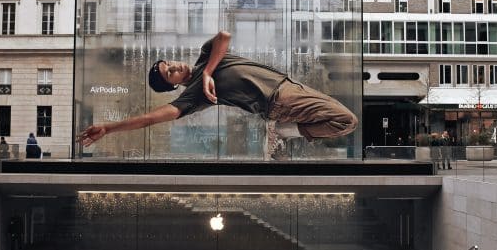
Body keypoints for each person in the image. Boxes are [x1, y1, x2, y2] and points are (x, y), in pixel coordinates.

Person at [77, 30, 358, 159]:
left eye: (169, 63)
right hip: (278, 99)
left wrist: (209, 72)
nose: (174, 65)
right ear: (174, 85)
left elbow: (224, 36)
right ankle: (283, 131)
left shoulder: (204, 57)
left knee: (342, 117)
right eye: (169, 73)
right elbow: (151, 118)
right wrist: (109, 128)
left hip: (288, 86)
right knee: (346, 120)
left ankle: (284, 131)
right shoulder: (193, 97)